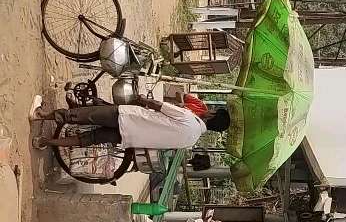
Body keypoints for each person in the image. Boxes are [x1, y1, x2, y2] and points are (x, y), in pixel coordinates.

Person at [29, 95, 230, 151]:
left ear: (212, 115)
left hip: (127, 117)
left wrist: (142, 99)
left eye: (212, 110)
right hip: (129, 138)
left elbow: (158, 105)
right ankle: (44, 142)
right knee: (86, 139)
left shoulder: (189, 117)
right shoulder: (191, 142)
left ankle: (39, 115)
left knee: (81, 115)